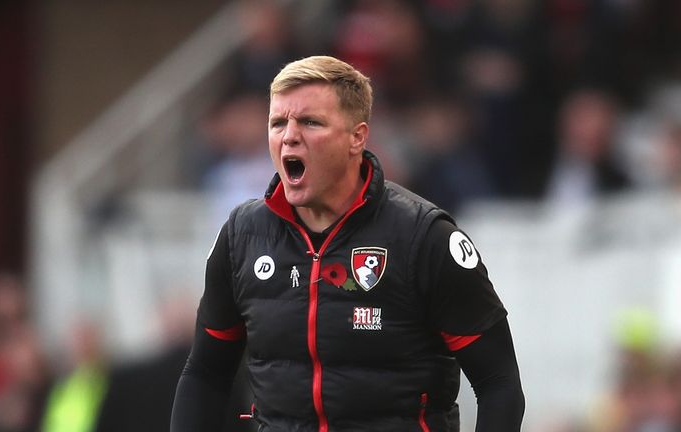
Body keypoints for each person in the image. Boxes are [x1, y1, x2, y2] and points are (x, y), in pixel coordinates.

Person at [171, 55, 524, 432]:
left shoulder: (425, 238)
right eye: (277, 123)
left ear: (357, 137)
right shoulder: (242, 237)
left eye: (310, 122)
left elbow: (499, 385)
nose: (289, 135)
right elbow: (205, 375)